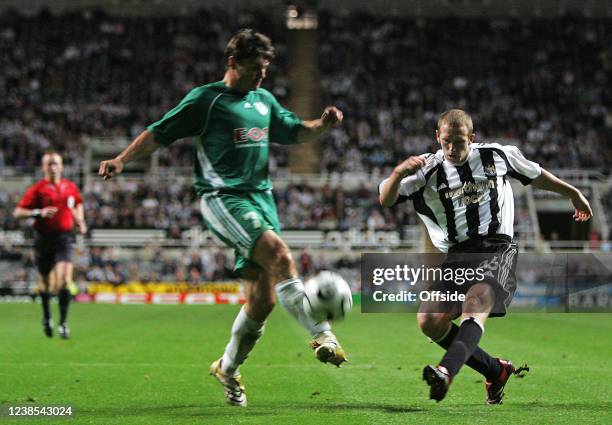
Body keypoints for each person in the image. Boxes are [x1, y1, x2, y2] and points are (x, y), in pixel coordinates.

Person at [98, 29, 346, 407]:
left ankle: (227, 369)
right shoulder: (206, 100)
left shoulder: (263, 100)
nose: (261, 77)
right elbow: (159, 132)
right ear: (233, 63)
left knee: (262, 301)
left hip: (261, 201)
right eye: (254, 69)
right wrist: (121, 159)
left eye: (264, 70)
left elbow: (295, 131)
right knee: (280, 256)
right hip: (222, 198)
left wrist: (322, 125)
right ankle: (323, 334)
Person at [379, 109, 592, 403]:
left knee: (474, 302)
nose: (452, 149)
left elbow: (537, 175)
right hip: (457, 254)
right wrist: (397, 173)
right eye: (446, 142)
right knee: (429, 320)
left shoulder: (497, 156)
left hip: (496, 248)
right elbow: (386, 198)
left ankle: (446, 371)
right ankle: (495, 370)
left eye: (459, 142)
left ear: (472, 138)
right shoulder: (427, 169)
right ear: (437, 138)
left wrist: (573, 193)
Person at [13, 150, 87, 339]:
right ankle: (47, 316)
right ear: (44, 167)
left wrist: (80, 220)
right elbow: (18, 212)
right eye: (49, 164)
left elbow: (77, 204)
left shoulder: (70, 187)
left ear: (62, 166)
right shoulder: (38, 189)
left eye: (56, 163)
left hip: (65, 238)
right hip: (43, 239)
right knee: (46, 284)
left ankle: (63, 323)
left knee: (64, 281)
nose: (53, 167)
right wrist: (38, 212)